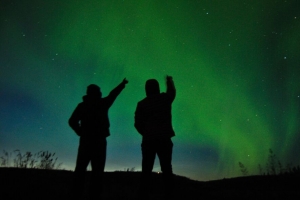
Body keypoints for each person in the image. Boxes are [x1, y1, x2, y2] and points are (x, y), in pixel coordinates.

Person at [69, 78, 128, 200]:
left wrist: (80, 131)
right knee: (97, 171)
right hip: (99, 141)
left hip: (86, 140)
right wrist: (122, 85)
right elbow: (113, 94)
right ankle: (93, 195)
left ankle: (77, 194)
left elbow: (72, 121)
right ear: (96, 93)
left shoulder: (83, 106)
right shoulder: (102, 103)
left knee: (81, 169)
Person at [134, 76, 176, 199]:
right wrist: (169, 82)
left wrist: (146, 133)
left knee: (146, 170)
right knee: (167, 169)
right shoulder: (164, 99)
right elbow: (172, 93)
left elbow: (137, 123)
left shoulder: (142, 104)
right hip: (164, 139)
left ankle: (144, 195)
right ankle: (169, 194)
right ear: (157, 88)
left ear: (146, 89)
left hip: (148, 141)